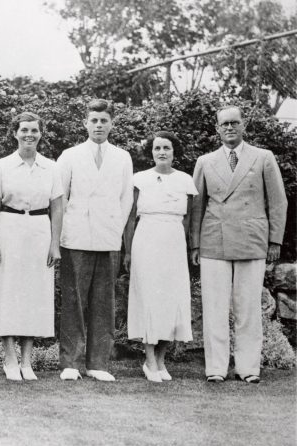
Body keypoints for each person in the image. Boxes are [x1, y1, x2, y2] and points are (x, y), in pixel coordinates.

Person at [191, 105, 287, 384]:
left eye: (235, 123)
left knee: (248, 309)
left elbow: (278, 201)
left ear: (244, 126)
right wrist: (195, 245)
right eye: (225, 124)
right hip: (214, 241)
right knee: (215, 308)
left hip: (251, 240)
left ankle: (248, 368)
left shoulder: (263, 157)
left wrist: (275, 240)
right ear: (217, 129)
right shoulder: (205, 161)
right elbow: (197, 206)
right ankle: (216, 368)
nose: (230, 128)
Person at [57, 99, 133, 382]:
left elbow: (126, 199)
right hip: (75, 237)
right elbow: (60, 198)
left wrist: (116, 231)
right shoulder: (70, 155)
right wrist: (65, 230)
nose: (99, 125)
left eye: (104, 121)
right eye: (94, 121)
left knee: (103, 302)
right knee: (74, 301)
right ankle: (70, 363)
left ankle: (98, 364)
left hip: (108, 238)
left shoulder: (122, 157)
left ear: (111, 123)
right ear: (85, 124)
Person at [0, 111, 63, 381]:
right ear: (15, 133)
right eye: (24, 130)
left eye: (34, 130)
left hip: (39, 231)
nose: (29, 134)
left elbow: (57, 206)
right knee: (9, 292)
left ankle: (27, 361)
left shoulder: (52, 167)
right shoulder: (1, 166)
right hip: (9, 227)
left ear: (41, 134)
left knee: (34, 295)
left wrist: (55, 244)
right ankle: (9, 358)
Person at [123, 132, 197, 382]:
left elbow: (187, 220)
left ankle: (162, 360)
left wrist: (183, 248)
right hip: (146, 240)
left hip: (174, 242)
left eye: (167, 147)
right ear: (151, 152)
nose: (162, 152)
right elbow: (130, 217)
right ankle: (149, 360)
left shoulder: (186, 180)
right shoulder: (139, 179)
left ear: (174, 151)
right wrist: (129, 250)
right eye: (157, 148)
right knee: (150, 299)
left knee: (171, 299)